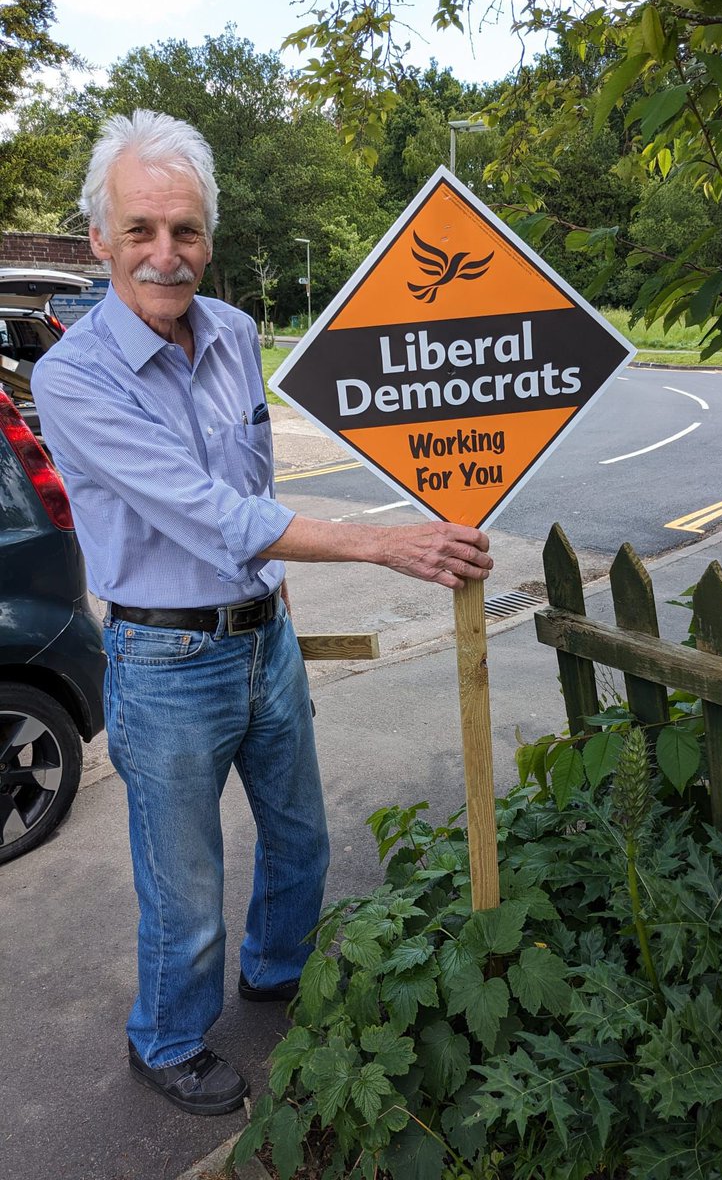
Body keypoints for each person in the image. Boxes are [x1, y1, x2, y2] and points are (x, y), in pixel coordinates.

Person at [31, 109, 493, 1117]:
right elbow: (208, 511)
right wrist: (385, 543)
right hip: (164, 659)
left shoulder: (236, 333)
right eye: (141, 229)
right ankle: (165, 1041)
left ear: (209, 237)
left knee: (300, 840)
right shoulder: (72, 377)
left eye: (186, 230)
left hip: (263, 638)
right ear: (99, 237)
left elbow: (253, 476)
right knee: (185, 886)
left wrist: (277, 598)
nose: (165, 252)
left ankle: (279, 975)